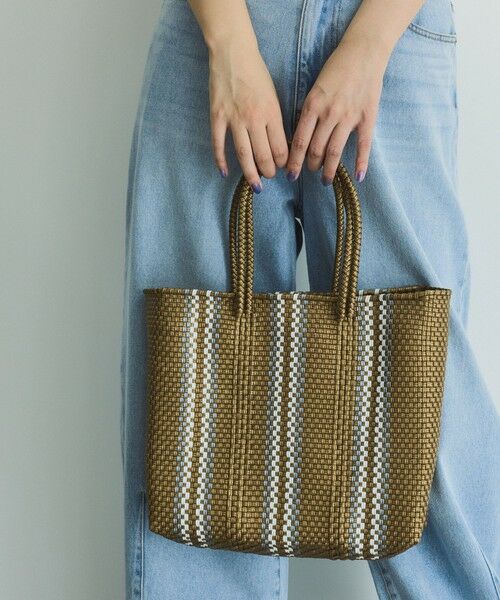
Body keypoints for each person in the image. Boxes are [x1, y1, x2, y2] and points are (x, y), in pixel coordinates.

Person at [120, 0, 500, 598]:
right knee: (197, 418)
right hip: (219, 29)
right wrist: (229, 42)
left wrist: (370, 46)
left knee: (424, 410)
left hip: (394, 33)